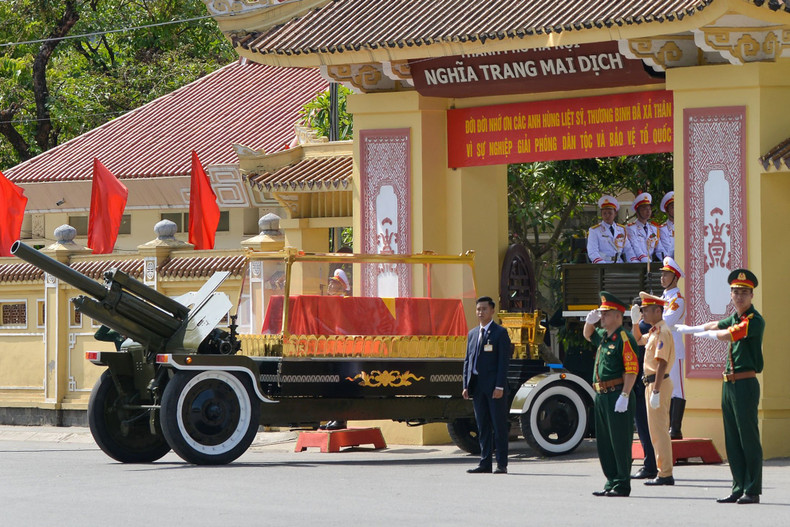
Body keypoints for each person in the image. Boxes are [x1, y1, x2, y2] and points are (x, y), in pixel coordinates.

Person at [676, 269, 764, 504]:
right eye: (735, 292)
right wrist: (692, 329)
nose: (739, 297)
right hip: (729, 384)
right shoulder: (735, 316)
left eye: (744, 293)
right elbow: (716, 324)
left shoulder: (754, 320)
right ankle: (738, 487)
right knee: (733, 438)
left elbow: (728, 335)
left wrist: (702, 336)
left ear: (751, 295)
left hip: (745, 383)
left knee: (748, 438)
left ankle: (752, 489)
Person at [583, 292, 639, 497]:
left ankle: (622, 483)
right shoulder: (605, 337)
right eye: (601, 313)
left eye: (606, 313)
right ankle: (611, 481)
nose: (602, 317)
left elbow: (631, 370)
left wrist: (625, 395)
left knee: (620, 441)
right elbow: (587, 334)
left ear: (618, 315)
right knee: (605, 442)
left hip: (617, 394)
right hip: (601, 394)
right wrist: (589, 322)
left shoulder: (624, 338)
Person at [463, 296, 512, 474]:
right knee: (482, 425)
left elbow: (503, 363)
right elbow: (468, 361)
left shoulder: (500, 333)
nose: (480, 312)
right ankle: (485, 463)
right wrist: (466, 385)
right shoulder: (472, 333)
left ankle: (501, 464)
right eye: (478, 309)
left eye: (484, 309)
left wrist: (499, 386)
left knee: (498, 425)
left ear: (492, 311)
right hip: (477, 386)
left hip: (494, 388)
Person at [632, 292, 675, 486]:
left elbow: (661, 364)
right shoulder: (655, 331)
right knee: (655, 432)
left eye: (646, 310)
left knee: (659, 432)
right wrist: (634, 323)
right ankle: (662, 470)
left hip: (658, 383)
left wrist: (656, 391)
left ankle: (665, 473)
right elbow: (638, 340)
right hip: (651, 383)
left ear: (658, 310)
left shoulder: (663, 332)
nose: (644, 314)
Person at [628, 298, 658, 481]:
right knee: (645, 426)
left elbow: (635, 343)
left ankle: (650, 465)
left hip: (643, 382)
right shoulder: (646, 327)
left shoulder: (645, 328)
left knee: (645, 427)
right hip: (643, 382)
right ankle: (652, 464)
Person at [659, 257, 687, 439]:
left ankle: (675, 429)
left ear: (675, 278)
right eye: (662, 274)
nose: (662, 278)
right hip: (661, 348)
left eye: (666, 274)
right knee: (662, 388)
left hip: (674, 348)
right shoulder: (661, 299)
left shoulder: (677, 300)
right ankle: (666, 426)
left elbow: (665, 323)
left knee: (677, 389)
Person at [321, 268, 352, 430]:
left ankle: (340, 419)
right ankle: (334, 418)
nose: (330, 285)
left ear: (340, 286)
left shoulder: (343, 302)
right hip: (333, 346)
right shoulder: (332, 302)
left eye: (334, 283)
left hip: (342, 347)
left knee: (340, 384)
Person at [586, 195, 631, 264]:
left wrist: (634, 262)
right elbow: (592, 252)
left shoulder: (621, 229)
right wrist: (603, 265)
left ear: (615, 213)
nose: (607, 216)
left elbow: (628, 249)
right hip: (603, 265)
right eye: (604, 213)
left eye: (610, 213)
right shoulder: (594, 231)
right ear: (601, 214)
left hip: (620, 264)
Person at [626, 192, 661, 263]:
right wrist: (644, 259)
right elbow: (635, 247)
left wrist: (666, 258)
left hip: (650, 263)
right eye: (644, 208)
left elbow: (659, 249)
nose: (648, 211)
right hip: (636, 262)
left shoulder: (654, 229)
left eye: (649, 209)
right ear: (637, 211)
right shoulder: (630, 228)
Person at [657, 191, 675, 260]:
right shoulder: (663, 229)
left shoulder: (685, 227)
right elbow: (668, 250)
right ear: (667, 210)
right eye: (673, 207)